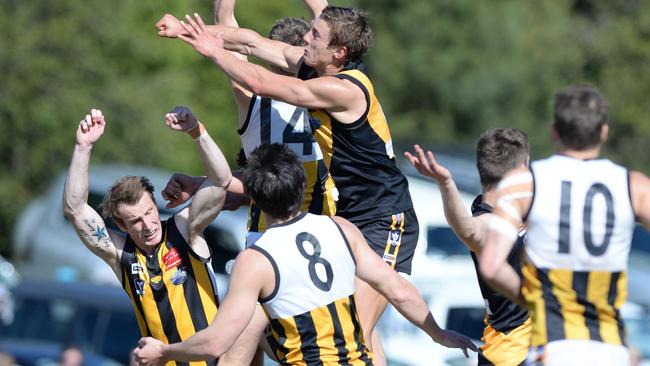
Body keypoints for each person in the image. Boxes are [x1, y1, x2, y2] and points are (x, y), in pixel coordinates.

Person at [171, 9, 419, 364]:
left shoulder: (340, 89)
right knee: (300, 334)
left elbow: (260, 81)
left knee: (349, 337)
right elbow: (251, 41)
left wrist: (213, 51)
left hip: (383, 217)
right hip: (331, 223)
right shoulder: (312, 69)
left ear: (339, 53)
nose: (306, 39)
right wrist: (187, 29)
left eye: (315, 36)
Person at [133, 143, 477, 365]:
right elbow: (398, 289)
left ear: (255, 197)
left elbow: (217, 341)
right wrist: (439, 334)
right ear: (301, 187)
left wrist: (164, 351)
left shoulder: (257, 260)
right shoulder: (341, 229)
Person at [479, 85, 650, 365]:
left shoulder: (524, 183)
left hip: (553, 348)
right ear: (604, 132)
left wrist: (531, 298)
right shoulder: (635, 186)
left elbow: (491, 266)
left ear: (554, 131)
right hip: (611, 351)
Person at [62, 107, 238, 365]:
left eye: (149, 212)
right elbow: (75, 209)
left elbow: (221, 181)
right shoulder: (121, 254)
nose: (148, 225)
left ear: (155, 204)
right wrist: (82, 147)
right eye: (136, 220)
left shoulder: (184, 229)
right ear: (122, 224)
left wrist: (196, 131)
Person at [405, 128, 532, 365]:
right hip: (512, 356)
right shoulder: (489, 223)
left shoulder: (520, 210)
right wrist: (446, 184)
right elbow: (468, 230)